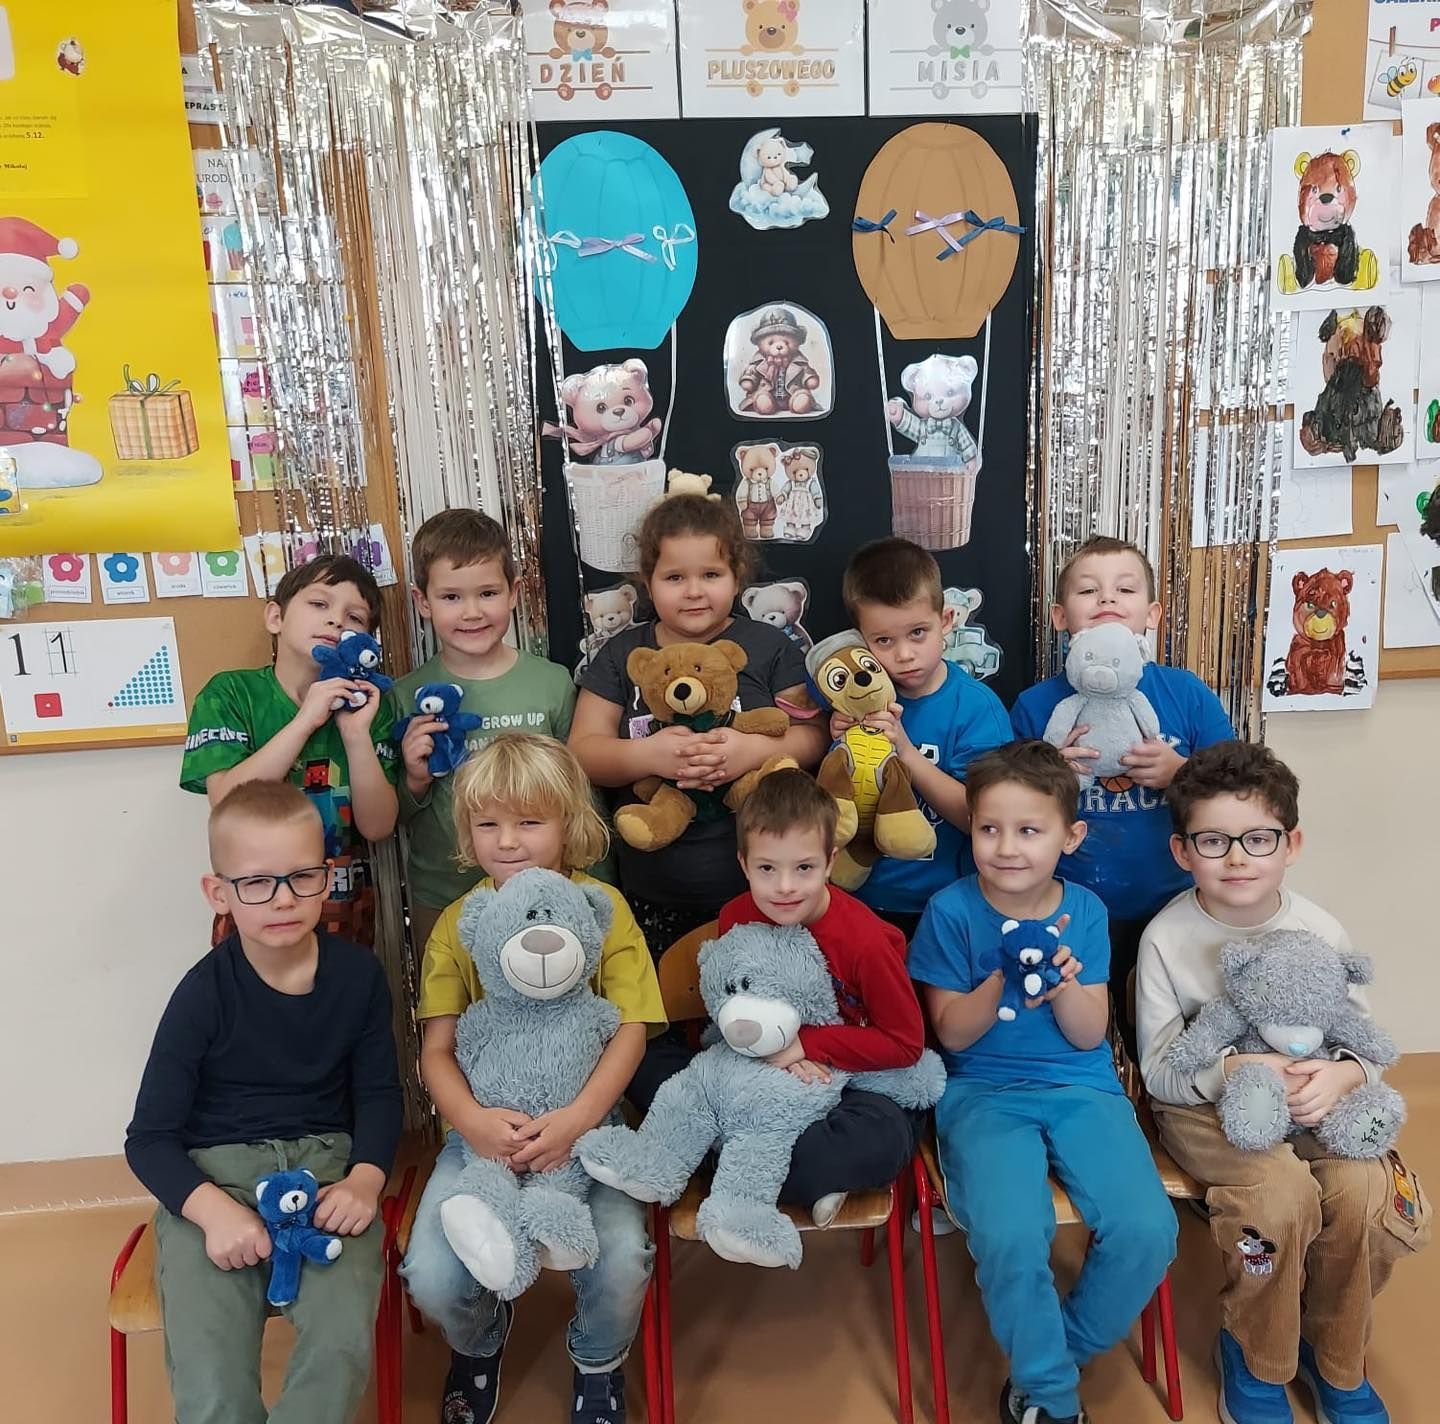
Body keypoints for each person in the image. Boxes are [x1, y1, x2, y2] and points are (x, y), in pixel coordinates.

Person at [1136, 741, 1430, 1424]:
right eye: (1214, 841)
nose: (1237, 858)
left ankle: (1336, 1356)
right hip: (1208, 1108)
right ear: (1182, 851)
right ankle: (1256, 1351)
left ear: (1290, 844)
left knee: (1366, 1193)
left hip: (1318, 1097)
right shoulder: (1164, 939)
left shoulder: (1318, 928)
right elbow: (1160, 1073)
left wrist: (1345, 1073)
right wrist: (1230, 1071)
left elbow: (1365, 1042)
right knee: (1278, 1199)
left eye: (1258, 838)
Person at [399, 733, 665, 1424]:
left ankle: (598, 1363)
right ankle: (479, 1342)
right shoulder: (459, 924)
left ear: (568, 824)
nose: (508, 841)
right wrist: (474, 1124)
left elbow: (631, 1030)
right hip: (481, 1137)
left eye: (528, 822)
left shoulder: (602, 909)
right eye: (488, 824)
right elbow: (437, 1050)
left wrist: (577, 1119)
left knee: (622, 1259)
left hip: (588, 1132)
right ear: (467, 832)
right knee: (429, 1274)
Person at [908, 740, 1176, 1424]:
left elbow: (1088, 1035)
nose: (1006, 847)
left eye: (1029, 830)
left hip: (1082, 1088)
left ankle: (1058, 1350)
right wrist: (1001, 978)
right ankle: (1050, 1396)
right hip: (983, 1094)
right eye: (989, 828)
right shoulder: (950, 911)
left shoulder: (1084, 911)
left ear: (1070, 836)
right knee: (1010, 1235)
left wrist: (1061, 985)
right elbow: (952, 1035)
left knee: (1148, 1229)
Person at [125, 781, 402, 1424]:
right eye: (256, 883)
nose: (282, 898)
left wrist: (365, 1180)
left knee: (338, 1345)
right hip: (214, 1181)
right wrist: (213, 1213)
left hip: (326, 1175)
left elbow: (379, 1095)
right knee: (211, 1374)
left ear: (327, 878)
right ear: (218, 893)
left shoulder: (359, 977)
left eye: (301, 877)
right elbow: (149, 1138)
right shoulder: (201, 995)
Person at [629, 766, 928, 1225]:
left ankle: (726, 1156)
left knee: (880, 1138)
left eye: (804, 868)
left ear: (829, 862)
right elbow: (732, 1008)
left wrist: (805, 1045)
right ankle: (757, 1160)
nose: (785, 887)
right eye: (767, 868)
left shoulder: (865, 942)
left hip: (849, 1080)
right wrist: (771, 1055)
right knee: (647, 1065)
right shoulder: (736, 917)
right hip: (755, 1071)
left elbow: (906, 1044)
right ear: (744, 864)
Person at [569, 493, 827, 954]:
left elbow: (814, 735)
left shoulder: (767, 646)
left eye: (710, 575)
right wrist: (650, 755)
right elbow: (582, 751)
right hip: (652, 891)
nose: (693, 591)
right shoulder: (623, 654)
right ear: (648, 582)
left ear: (737, 577)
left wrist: (752, 752)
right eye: (675, 577)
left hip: (765, 893)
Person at [1010, 535, 1233, 1040]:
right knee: (1073, 1032)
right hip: (1066, 905)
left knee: (1163, 1038)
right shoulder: (1035, 705)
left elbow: (1238, 787)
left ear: (1152, 615)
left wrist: (1181, 772)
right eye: (1089, 590)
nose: (1107, 598)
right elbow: (1007, 806)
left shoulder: (1184, 692)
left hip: (1174, 903)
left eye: (1125, 589)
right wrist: (1050, 775)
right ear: (1060, 617)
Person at [180, 554, 399, 944]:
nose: (336, 620)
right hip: (254, 911)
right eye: (319, 604)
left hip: (342, 911)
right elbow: (226, 801)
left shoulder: (371, 705)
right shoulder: (230, 694)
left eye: (354, 617)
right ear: (275, 617)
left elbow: (378, 826)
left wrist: (355, 736)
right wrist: (306, 720)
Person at [393, 509, 576, 950]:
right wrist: (415, 778)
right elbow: (391, 814)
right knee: (450, 995)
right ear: (423, 602)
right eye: (451, 597)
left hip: (548, 893)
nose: (472, 612)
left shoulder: (552, 682)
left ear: (514, 592)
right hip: (444, 894)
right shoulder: (406, 695)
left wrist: (591, 879)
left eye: (488, 593)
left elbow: (579, 795)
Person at [839, 536, 1013, 941]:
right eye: (884, 641)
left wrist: (906, 753)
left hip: (950, 905)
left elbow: (984, 818)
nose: (904, 655)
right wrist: (839, 742)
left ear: (946, 620)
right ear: (860, 641)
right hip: (862, 899)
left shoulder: (976, 709)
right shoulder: (856, 697)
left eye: (918, 632)